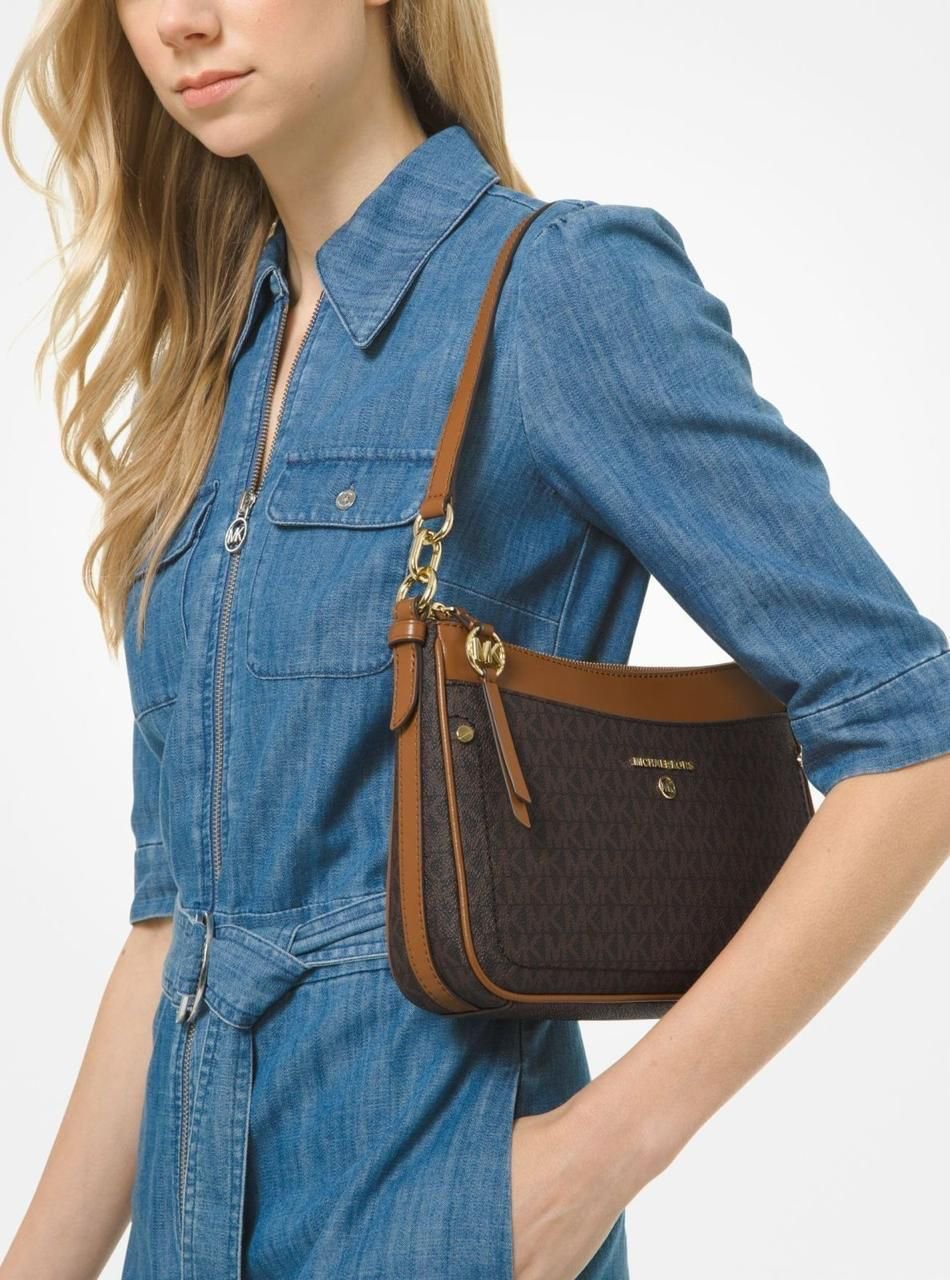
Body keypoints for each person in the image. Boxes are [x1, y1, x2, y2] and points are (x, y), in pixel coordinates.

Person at [3, 1, 950, 1278]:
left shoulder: (555, 288)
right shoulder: (216, 368)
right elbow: (177, 929)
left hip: (437, 1219)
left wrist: (600, 1155)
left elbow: (912, 736)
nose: (183, 21)